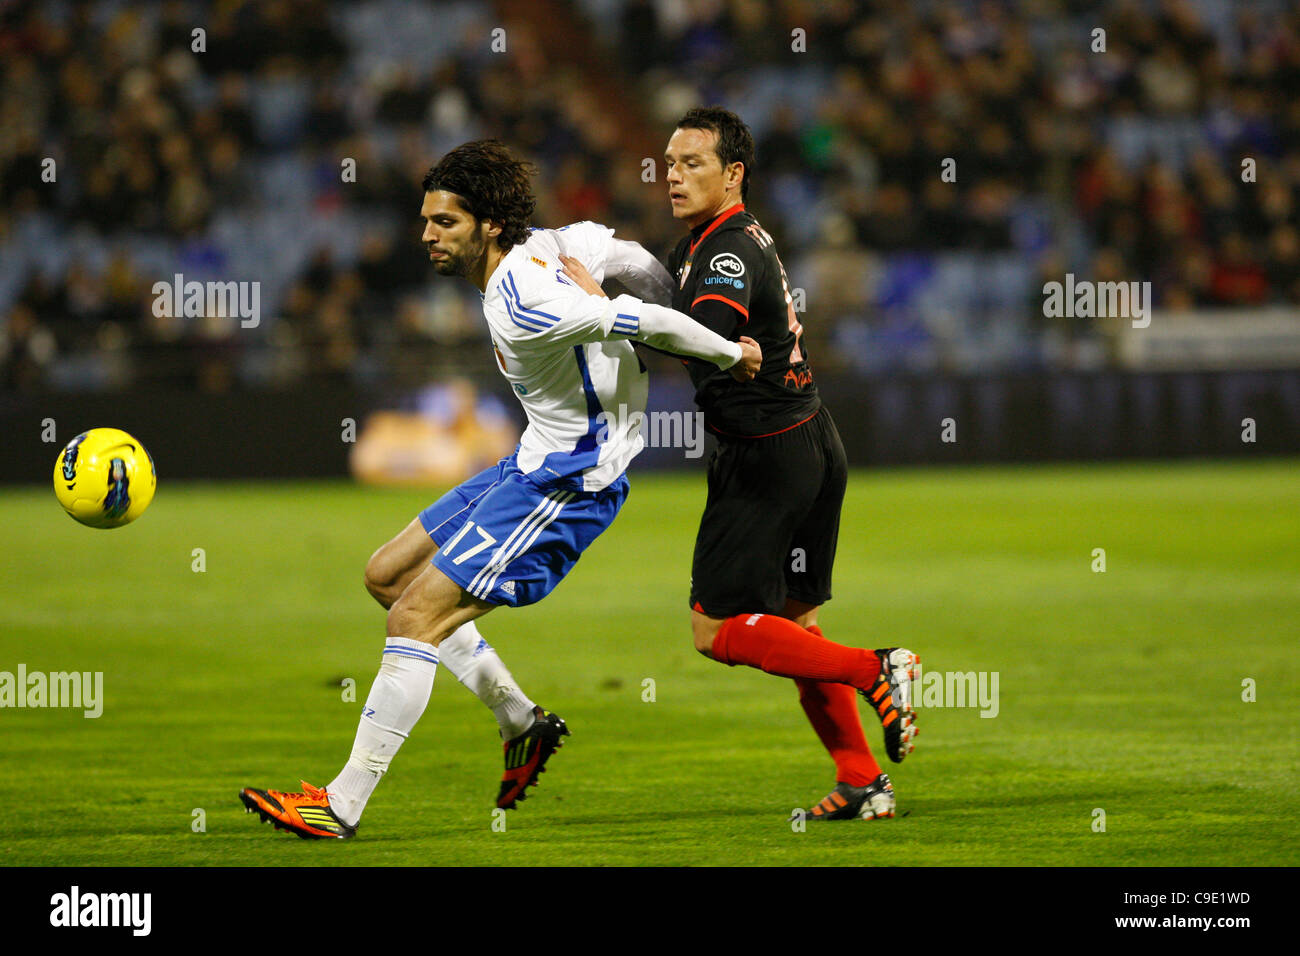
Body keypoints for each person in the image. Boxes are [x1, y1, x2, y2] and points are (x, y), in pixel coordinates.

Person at [240, 140, 761, 838]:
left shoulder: (526, 299)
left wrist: (731, 350)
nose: (427, 235)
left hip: (571, 479)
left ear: (488, 225)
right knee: (388, 576)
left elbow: (647, 318)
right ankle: (522, 722)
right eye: (425, 220)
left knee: (412, 620)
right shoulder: (553, 243)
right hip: (531, 459)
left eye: (445, 223)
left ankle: (340, 806)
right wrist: (631, 290)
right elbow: (627, 255)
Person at [561, 108, 918, 821]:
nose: (674, 176)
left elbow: (705, 336)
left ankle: (875, 667)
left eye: (693, 164)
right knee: (793, 627)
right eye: (669, 164)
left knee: (715, 629)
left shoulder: (726, 251)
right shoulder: (713, 241)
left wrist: (604, 307)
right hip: (809, 441)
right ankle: (861, 780)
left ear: (733, 175)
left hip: (764, 458)